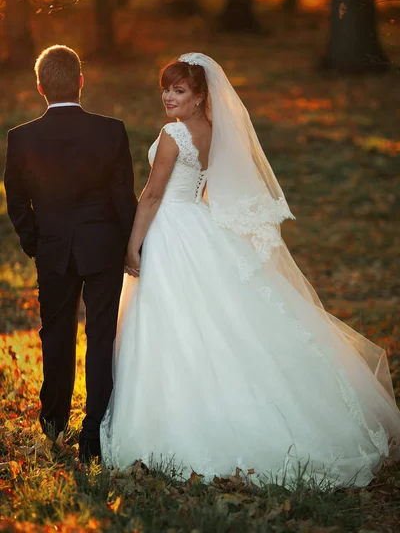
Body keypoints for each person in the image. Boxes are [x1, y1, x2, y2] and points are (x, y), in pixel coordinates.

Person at [100, 52, 400, 488]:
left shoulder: (173, 134)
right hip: (197, 224)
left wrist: (132, 245)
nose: (169, 96)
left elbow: (150, 196)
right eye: (166, 88)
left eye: (179, 89)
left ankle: (176, 420)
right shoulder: (214, 131)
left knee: (172, 321)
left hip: (171, 229)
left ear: (201, 95)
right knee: (211, 321)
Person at [4, 45, 137, 462]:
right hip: (104, 250)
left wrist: (35, 243)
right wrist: (130, 243)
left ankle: (54, 422)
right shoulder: (111, 130)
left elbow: (16, 200)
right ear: (81, 81)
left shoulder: (21, 137)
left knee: (55, 334)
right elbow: (122, 197)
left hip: (54, 251)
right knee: (100, 336)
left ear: (40, 86)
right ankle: (94, 430)